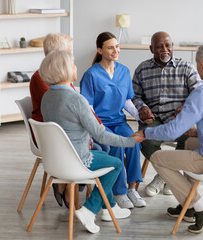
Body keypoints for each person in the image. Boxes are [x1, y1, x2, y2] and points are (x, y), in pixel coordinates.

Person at [132, 44, 203, 233]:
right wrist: (197, 131)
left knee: (159, 159)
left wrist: (145, 133)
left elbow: (172, 131)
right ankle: (188, 205)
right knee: (188, 142)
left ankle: (201, 206)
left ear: (202, 66)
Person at [39, 51, 145, 234]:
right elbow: (102, 136)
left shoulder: (47, 97)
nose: (76, 67)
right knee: (116, 164)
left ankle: (108, 207)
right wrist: (131, 140)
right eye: (72, 64)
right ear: (63, 69)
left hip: (55, 161)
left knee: (104, 155)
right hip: (76, 159)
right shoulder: (76, 99)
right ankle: (89, 210)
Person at [29, 33, 107, 208]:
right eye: (69, 52)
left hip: (65, 131)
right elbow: (61, 114)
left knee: (104, 143)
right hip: (52, 135)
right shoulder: (42, 78)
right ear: (58, 53)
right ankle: (80, 193)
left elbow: (80, 107)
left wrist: (97, 124)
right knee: (102, 147)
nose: (72, 56)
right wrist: (87, 134)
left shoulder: (61, 74)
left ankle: (89, 193)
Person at [132, 31, 203, 197]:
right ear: (151, 49)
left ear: (173, 46)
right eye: (159, 46)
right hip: (154, 120)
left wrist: (186, 107)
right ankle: (169, 176)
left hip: (179, 121)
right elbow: (134, 95)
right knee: (145, 141)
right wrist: (142, 107)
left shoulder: (186, 67)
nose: (164, 49)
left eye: (168, 45)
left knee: (191, 141)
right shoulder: (142, 69)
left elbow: (200, 93)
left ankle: (164, 176)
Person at [80, 32, 145, 209]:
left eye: (117, 46)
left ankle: (132, 189)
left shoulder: (123, 71)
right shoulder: (91, 75)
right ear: (100, 50)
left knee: (133, 142)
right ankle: (119, 192)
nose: (115, 50)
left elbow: (126, 101)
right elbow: (88, 107)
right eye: (110, 47)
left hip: (118, 121)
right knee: (116, 145)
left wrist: (140, 114)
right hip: (100, 124)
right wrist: (99, 127)